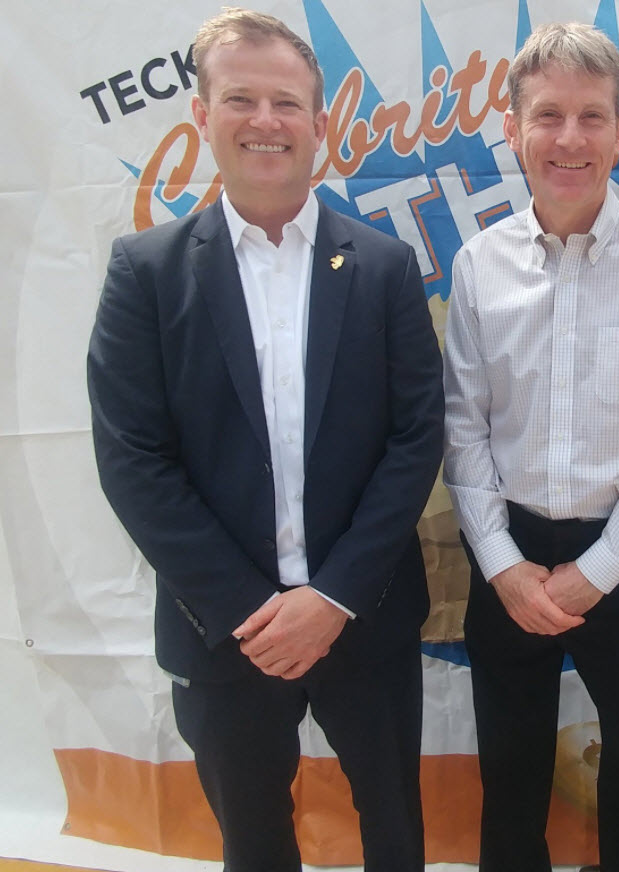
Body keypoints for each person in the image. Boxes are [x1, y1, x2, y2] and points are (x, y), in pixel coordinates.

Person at [86, 8, 444, 871]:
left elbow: (414, 439)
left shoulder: (386, 266)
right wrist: (252, 611)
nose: (265, 121)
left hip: (364, 616)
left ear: (320, 123)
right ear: (202, 115)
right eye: (240, 98)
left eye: (286, 102)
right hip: (223, 632)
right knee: (252, 844)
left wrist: (333, 598)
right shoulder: (145, 272)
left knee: (395, 833)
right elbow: (133, 460)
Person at [442, 22, 619, 872]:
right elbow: (463, 426)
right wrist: (503, 565)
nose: (570, 138)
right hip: (509, 555)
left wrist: (597, 570)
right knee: (509, 772)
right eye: (548, 115)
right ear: (512, 129)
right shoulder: (479, 265)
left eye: (592, 116)